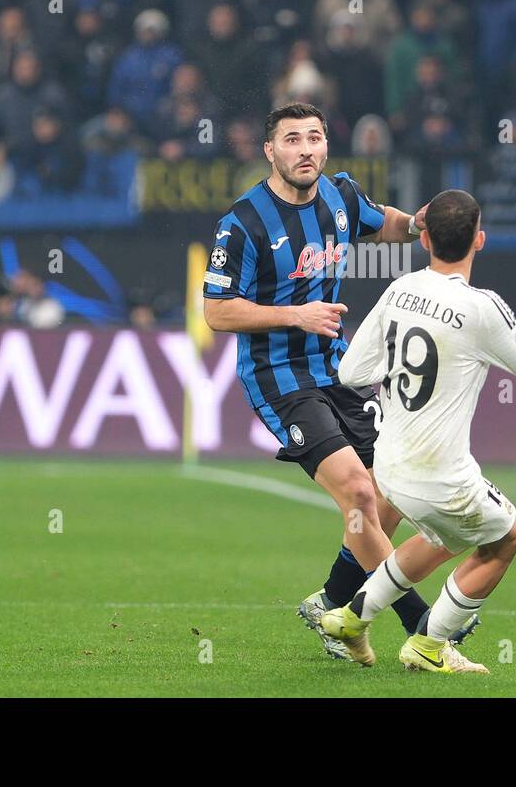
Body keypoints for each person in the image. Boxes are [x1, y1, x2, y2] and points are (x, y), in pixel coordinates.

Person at [201, 102, 476, 661]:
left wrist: (418, 222)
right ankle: (421, 625)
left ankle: (332, 602)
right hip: (279, 376)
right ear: (270, 151)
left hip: (340, 368)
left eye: (316, 138)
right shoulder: (243, 223)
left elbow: (389, 226)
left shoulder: (341, 196)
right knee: (356, 491)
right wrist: (295, 316)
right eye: (293, 140)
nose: (306, 149)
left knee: (388, 495)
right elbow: (216, 311)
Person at [322, 190, 516, 671]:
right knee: (506, 538)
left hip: (387, 467)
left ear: (424, 237)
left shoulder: (399, 290)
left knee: (443, 537)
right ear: (480, 240)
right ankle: (428, 645)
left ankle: (351, 617)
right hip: (439, 476)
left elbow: (349, 373)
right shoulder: (481, 308)